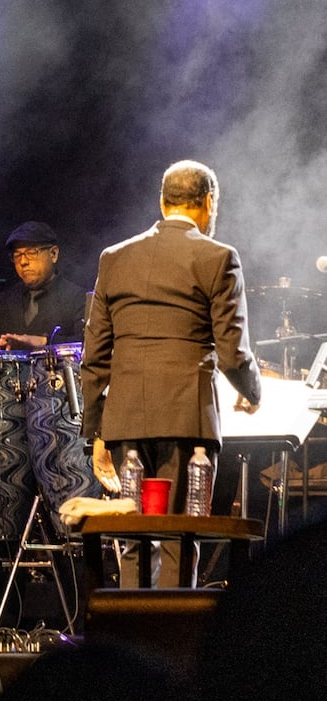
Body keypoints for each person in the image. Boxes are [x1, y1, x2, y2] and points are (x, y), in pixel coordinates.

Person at [81, 160, 261, 586]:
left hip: (125, 421)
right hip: (187, 419)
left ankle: (133, 623)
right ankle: (176, 628)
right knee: (181, 535)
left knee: (132, 538)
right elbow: (233, 353)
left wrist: (97, 432)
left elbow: (95, 355)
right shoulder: (219, 257)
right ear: (208, 202)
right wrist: (251, 390)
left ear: (162, 202)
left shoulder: (114, 258)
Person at [0, 220, 88, 350]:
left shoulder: (79, 299)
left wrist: (44, 341)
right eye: (17, 255)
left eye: (32, 253)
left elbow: (89, 344)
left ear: (53, 254)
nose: (23, 261)